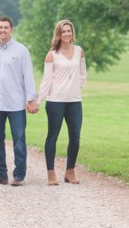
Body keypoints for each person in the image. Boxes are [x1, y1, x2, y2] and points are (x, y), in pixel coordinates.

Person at [0, 15, 37, 187]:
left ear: (11, 29)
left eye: (6, 27)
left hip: (16, 103)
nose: (2, 30)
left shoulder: (21, 51)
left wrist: (30, 99)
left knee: (19, 139)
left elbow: (28, 77)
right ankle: (0, 175)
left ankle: (18, 175)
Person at [30, 19, 87, 186]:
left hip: (75, 101)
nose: (67, 34)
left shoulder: (79, 51)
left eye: (69, 31)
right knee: (52, 136)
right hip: (55, 101)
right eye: (64, 31)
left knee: (75, 138)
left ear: (72, 33)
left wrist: (78, 86)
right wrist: (38, 100)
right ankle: (51, 173)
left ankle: (70, 171)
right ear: (59, 34)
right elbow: (47, 80)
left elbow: (83, 73)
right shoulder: (52, 55)